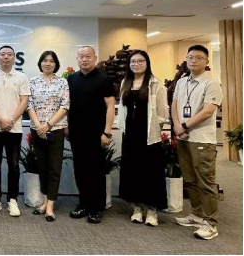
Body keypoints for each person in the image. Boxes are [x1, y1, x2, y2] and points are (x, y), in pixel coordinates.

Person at [173, 45, 223, 240]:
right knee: (190, 179)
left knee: (205, 181)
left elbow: (208, 111)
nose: (193, 60)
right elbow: (175, 105)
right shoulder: (182, 81)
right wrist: (177, 126)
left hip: (202, 139)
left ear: (206, 61)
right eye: (190, 57)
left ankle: (210, 223)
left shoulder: (211, 84)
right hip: (183, 137)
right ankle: (197, 214)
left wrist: (184, 125)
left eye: (198, 58)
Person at [118, 50, 169, 227]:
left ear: (147, 63)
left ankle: (152, 210)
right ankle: (137, 208)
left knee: (151, 172)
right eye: (133, 61)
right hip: (130, 135)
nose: (136, 64)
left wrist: (157, 132)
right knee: (133, 171)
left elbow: (162, 113)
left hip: (149, 135)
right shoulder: (125, 82)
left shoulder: (155, 84)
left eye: (140, 61)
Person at [67, 46, 116, 224]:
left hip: (97, 133)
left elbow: (110, 106)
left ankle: (96, 208)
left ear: (95, 58)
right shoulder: (71, 79)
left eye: (88, 56)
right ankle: (84, 204)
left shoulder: (104, 79)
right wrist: (66, 127)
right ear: (77, 59)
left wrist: (107, 132)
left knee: (96, 171)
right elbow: (68, 105)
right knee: (80, 170)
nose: (84, 59)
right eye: (81, 57)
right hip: (76, 133)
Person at [0, 45, 30, 218]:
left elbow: (24, 101)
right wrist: (1, 120)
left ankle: (12, 200)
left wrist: (10, 120)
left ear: (14, 58)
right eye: (2, 54)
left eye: (9, 54)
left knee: (14, 165)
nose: (6, 57)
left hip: (14, 129)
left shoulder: (22, 77)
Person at [28, 51, 70, 222]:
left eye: (51, 61)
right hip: (37, 130)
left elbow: (65, 106)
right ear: (40, 63)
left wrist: (48, 125)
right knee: (42, 167)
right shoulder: (32, 82)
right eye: (45, 60)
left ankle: (50, 206)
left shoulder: (62, 82)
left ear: (56, 64)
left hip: (56, 129)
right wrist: (39, 126)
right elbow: (29, 105)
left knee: (54, 168)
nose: (48, 63)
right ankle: (45, 202)